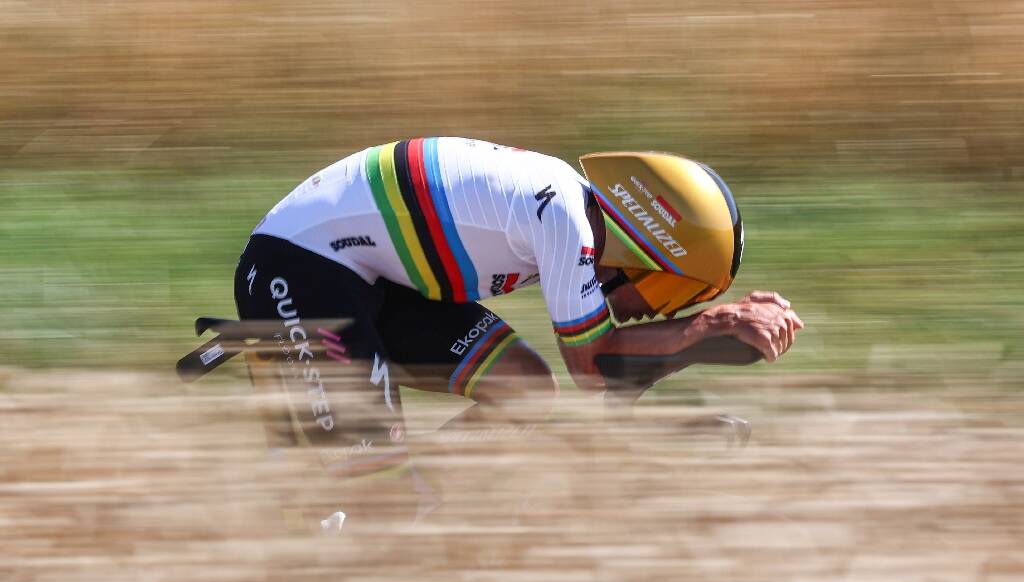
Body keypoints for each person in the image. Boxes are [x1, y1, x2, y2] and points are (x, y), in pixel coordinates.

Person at [233, 137, 803, 491]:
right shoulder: (566, 220)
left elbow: (611, 383)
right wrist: (711, 327)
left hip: (368, 277)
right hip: (301, 268)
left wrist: (669, 416)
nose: (647, 315)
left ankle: (417, 492)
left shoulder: (570, 214)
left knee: (525, 389)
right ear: (646, 254)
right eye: (666, 298)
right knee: (368, 500)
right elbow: (596, 367)